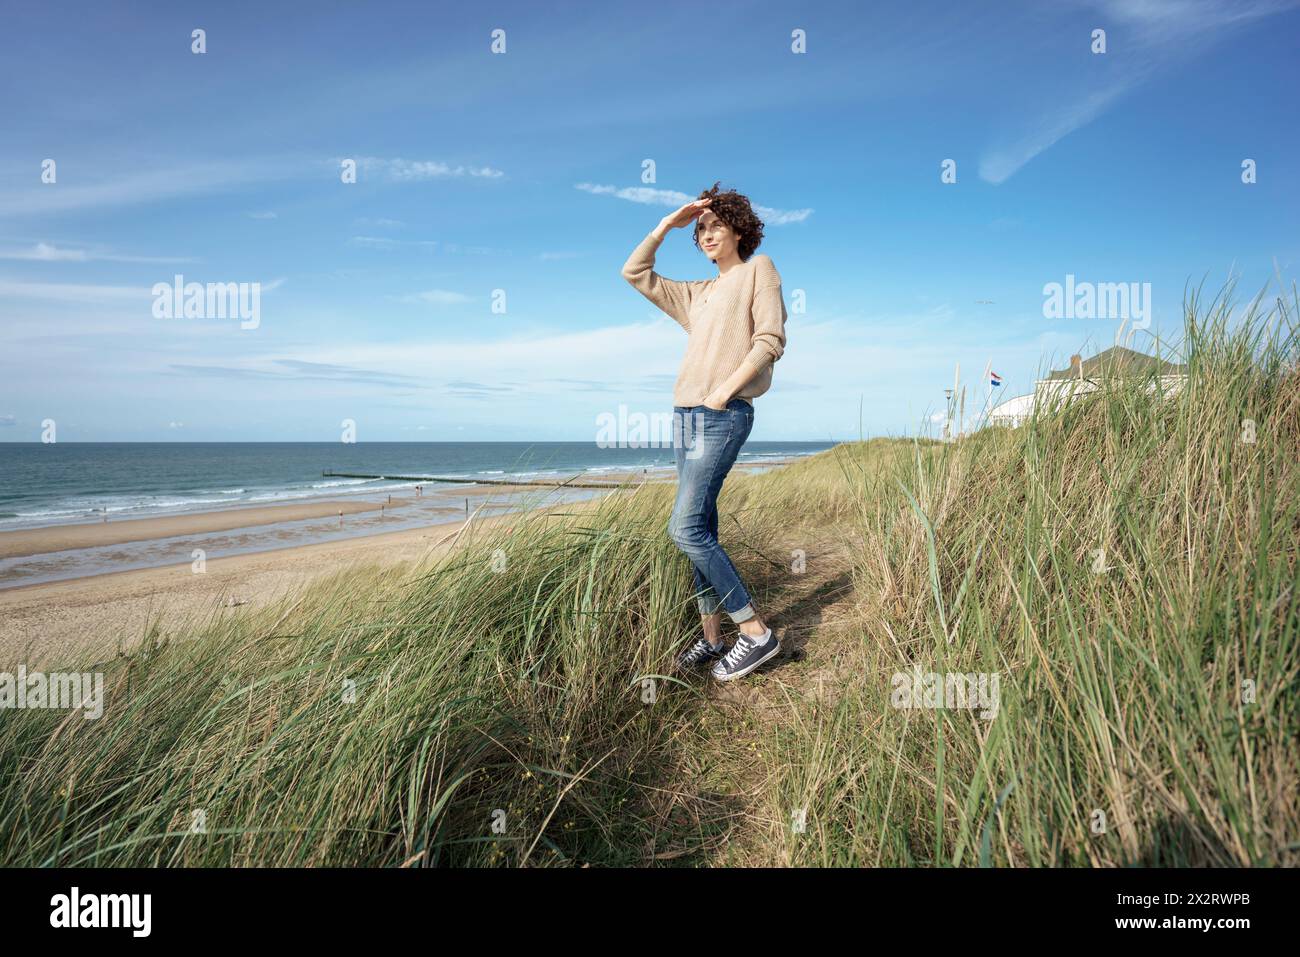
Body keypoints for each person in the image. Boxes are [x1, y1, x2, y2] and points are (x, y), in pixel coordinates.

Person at [620, 182, 788, 681]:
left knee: (684, 528)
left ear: (739, 229)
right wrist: (665, 227)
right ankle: (714, 640)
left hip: (721, 413)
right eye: (700, 230)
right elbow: (634, 272)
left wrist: (722, 393)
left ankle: (755, 633)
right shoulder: (698, 294)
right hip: (684, 416)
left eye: (716, 225)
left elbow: (770, 340)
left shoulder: (760, 269)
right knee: (702, 528)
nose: (707, 235)